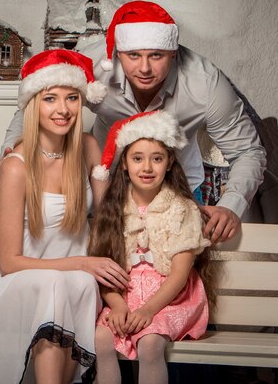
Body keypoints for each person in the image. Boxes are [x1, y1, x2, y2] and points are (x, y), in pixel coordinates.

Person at [0, 0, 266, 243]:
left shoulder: (205, 83)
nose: (144, 68)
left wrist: (231, 204)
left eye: (156, 55)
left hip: (175, 184)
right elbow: (34, 105)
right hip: (103, 182)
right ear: (118, 53)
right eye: (133, 56)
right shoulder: (93, 62)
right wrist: (9, 155)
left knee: (175, 271)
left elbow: (247, 151)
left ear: (173, 52)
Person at [0, 49, 130, 384]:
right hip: (15, 282)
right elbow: (9, 262)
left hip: (69, 280)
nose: (63, 109)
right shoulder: (15, 166)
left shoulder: (87, 149)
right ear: (32, 105)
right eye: (50, 98)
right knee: (61, 282)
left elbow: (110, 218)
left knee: (81, 284)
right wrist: (83, 263)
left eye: (71, 98)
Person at [87, 110, 215, 384]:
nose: (147, 168)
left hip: (169, 298)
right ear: (124, 164)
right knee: (100, 338)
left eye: (156, 159)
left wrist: (147, 311)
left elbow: (180, 275)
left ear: (169, 162)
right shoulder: (113, 211)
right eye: (137, 158)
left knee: (150, 342)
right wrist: (118, 305)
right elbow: (104, 269)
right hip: (124, 296)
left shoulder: (182, 209)